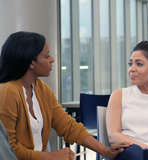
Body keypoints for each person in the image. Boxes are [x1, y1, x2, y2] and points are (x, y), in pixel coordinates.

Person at [0, 31, 127, 160]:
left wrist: (104, 150)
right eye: (47, 56)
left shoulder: (40, 88)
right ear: (31, 63)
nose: (52, 59)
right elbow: (9, 150)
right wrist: (50, 157)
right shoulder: (7, 92)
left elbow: (68, 126)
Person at [106, 41, 148, 160]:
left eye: (139, 64)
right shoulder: (118, 95)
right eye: (130, 64)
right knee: (135, 153)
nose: (132, 69)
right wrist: (145, 148)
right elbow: (113, 135)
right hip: (130, 152)